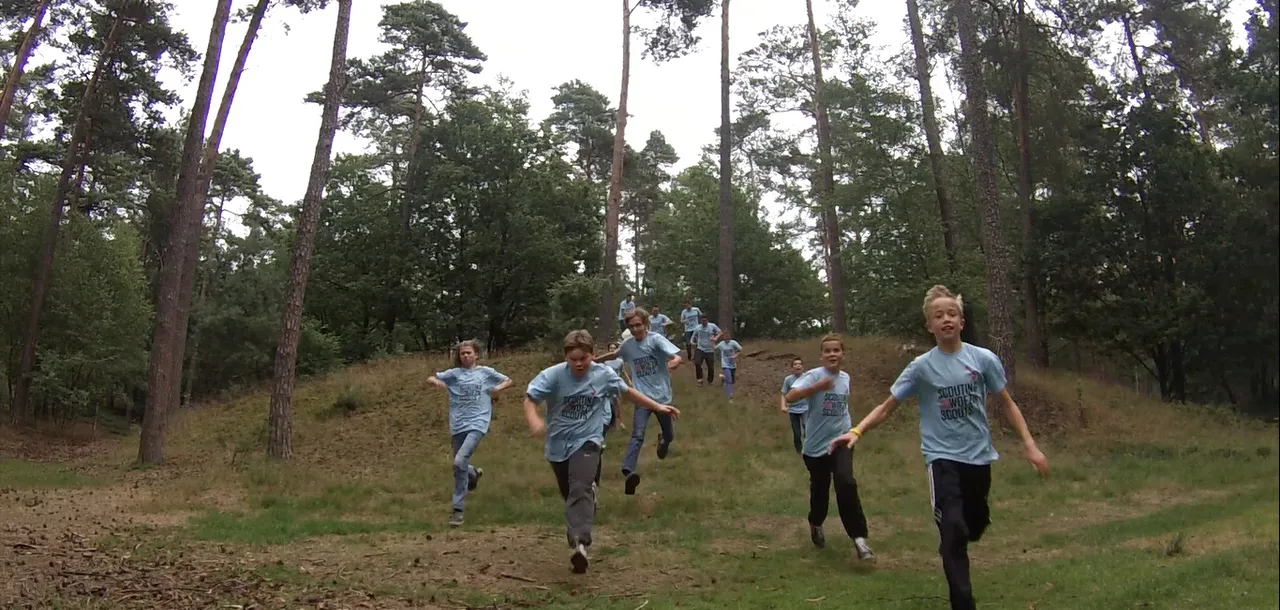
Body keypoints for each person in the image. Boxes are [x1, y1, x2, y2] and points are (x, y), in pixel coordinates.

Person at [828, 285, 1050, 610]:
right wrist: (857, 431)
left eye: (952, 314)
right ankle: (963, 603)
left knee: (973, 523)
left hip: (978, 458)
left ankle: (970, 524)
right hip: (941, 459)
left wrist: (1029, 445)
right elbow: (888, 406)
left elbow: (1007, 404)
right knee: (952, 533)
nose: (946, 319)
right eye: (938, 315)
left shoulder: (983, 359)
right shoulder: (921, 367)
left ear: (961, 322)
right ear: (929, 326)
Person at [524, 330, 680, 574]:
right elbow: (530, 398)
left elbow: (628, 393)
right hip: (557, 445)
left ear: (592, 355)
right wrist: (534, 420)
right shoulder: (553, 376)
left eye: (583, 359)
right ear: (566, 358)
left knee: (579, 488)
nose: (578, 364)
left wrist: (658, 406)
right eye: (573, 359)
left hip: (588, 440)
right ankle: (584, 514)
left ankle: (580, 544)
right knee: (570, 494)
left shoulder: (603, 375)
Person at [784, 333, 873, 561]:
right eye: (828, 351)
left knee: (846, 482)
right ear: (821, 355)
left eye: (836, 350)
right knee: (820, 492)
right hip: (815, 446)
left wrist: (850, 431)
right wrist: (816, 388)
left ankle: (860, 540)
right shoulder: (813, 376)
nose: (832, 354)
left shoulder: (846, 378)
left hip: (842, 440)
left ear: (842, 353)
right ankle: (815, 523)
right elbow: (791, 396)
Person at [595, 309, 683, 496]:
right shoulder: (628, 346)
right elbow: (613, 356)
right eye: (631, 326)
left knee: (669, 435)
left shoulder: (656, 340)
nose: (635, 329)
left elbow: (676, 355)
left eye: (638, 325)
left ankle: (664, 441)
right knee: (638, 434)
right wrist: (594, 361)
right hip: (642, 398)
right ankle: (629, 472)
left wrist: (675, 361)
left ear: (645, 324)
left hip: (663, 398)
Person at [426, 340, 513, 527]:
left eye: (468, 353)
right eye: (462, 353)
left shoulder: (485, 372)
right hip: (457, 424)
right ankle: (473, 473)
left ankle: (458, 510)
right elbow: (432, 378)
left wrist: (498, 388)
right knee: (461, 464)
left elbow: (508, 380)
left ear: (476, 355)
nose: (465, 356)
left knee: (459, 462)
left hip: (478, 423)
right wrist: (436, 383)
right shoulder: (454, 374)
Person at [779, 357, 807, 454]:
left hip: (806, 409)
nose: (798, 366)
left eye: (800, 364)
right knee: (797, 433)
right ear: (792, 368)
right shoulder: (788, 380)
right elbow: (783, 394)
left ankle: (808, 450)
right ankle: (799, 452)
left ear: (803, 367)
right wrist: (783, 406)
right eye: (795, 364)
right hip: (793, 410)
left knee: (807, 430)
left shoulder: (807, 378)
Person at [689, 314, 721, 386]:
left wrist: (716, 338)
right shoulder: (698, 328)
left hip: (710, 349)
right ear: (700, 321)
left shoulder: (712, 326)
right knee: (697, 363)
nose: (704, 322)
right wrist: (692, 342)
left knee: (710, 366)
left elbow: (720, 332)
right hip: (700, 348)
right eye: (702, 321)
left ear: (707, 320)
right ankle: (699, 380)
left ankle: (710, 380)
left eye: (705, 320)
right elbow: (693, 336)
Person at [715, 332, 742, 400]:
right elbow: (714, 348)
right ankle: (730, 395)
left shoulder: (733, 343)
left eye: (728, 338)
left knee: (732, 380)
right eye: (725, 338)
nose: (726, 339)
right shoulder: (721, 344)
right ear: (723, 338)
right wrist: (712, 340)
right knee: (729, 380)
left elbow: (740, 349)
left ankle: (723, 378)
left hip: (732, 364)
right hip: (725, 363)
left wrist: (735, 355)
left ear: (730, 338)